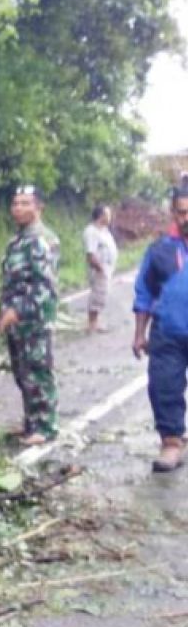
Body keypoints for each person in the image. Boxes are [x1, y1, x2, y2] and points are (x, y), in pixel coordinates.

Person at [0, 185, 60, 446]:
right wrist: (1, 314)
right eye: (15, 203)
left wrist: (17, 312)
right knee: (23, 373)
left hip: (35, 321)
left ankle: (46, 426)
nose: (18, 208)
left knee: (38, 372)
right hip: (16, 322)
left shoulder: (42, 240)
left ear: (39, 207)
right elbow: (11, 283)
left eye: (25, 203)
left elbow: (46, 287)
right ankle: (31, 423)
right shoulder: (17, 242)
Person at [131, 184, 188, 471]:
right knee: (164, 387)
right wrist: (140, 333)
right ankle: (172, 442)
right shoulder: (159, 250)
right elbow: (144, 292)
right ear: (173, 213)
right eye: (182, 212)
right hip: (168, 334)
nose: (186, 218)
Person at [83, 204, 118, 333]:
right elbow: (91, 254)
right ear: (101, 216)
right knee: (97, 295)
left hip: (106, 267)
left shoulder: (104, 230)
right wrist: (100, 268)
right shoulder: (91, 232)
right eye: (107, 214)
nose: (110, 217)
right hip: (99, 268)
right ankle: (92, 323)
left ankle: (95, 321)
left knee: (102, 295)